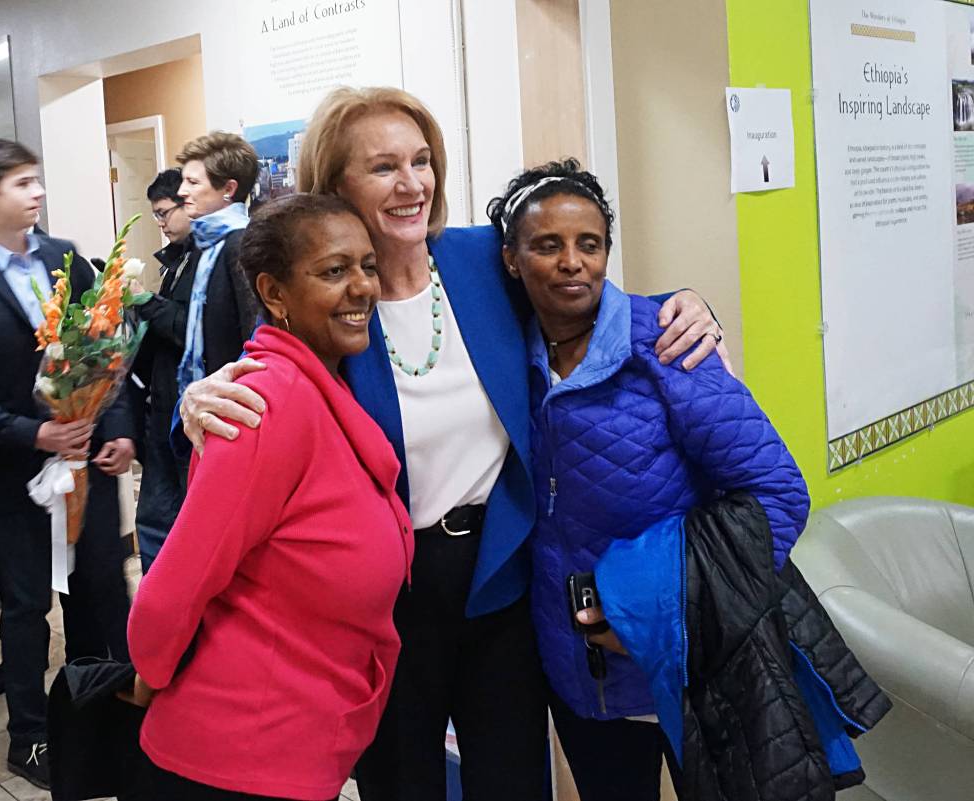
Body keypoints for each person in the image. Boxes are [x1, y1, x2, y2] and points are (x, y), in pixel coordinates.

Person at [178, 87, 728, 801]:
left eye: (422, 161)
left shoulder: (476, 260)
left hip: (499, 578)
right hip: (385, 599)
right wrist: (194, 402)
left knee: (510, 781)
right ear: (335, 186)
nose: (412, 185)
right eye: (383, 168)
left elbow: (588, 295)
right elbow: (249, 381)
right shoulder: (330, 295)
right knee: (402, 783)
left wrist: (686, 305)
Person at [485, 159, 810, 800]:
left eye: (590, 244)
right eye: (547, 245)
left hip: (689, 662)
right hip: (579, 670)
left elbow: (779, 493)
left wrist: (672, 611)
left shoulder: (667, 348)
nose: (573, 261)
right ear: (513, 259)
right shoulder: (503, 361)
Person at [126, 193, 413, 801]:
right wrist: (149, 675)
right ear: (274, 293)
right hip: (231, 758)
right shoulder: (264, 405)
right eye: (334, 272)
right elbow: (172, 588)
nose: (362, 286)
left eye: (366, 265)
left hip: (291, 745)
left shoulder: (324, 383)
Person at [0, 139, 135, 789]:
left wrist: (117, 431)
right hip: (17, 477)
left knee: (101, 595)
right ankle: (28, 735)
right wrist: (36, 433)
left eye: (38, 181)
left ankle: (106, 710)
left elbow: (108, 350)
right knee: (27, 610)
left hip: (91, 470)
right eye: (23, 183)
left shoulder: (65, 259)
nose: (38, 193)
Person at [136, 135, 260, 570]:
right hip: (183, 408)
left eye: (192, 182)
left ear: (228, 189)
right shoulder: (203, 247)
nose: (183, 191)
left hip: (220, 417)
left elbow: (254, 340)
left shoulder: (239, 245)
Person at [129, 169, 196, 572]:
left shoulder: (214, 258)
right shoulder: (176, 261)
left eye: (164, 213)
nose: (161, 223)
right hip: (162, 407)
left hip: (188, 413)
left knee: (187, 520)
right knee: (153, 520)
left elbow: (192, 329)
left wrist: (146, 302)